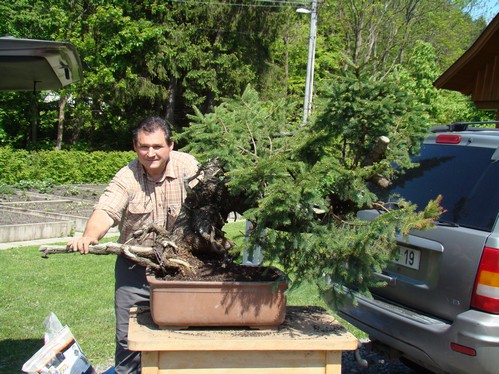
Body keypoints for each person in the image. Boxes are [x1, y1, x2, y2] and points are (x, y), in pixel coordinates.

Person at [68, 116, 201, 373]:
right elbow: (106, 209)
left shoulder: (189, 168)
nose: (150, 153)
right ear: (135, 147)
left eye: (157, 146)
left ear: (171, 145)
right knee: (127, 340)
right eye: (143, 147)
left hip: (182, 270)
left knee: (184, 335)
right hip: (134, 270)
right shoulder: (127, 176)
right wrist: (89, 236)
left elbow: (213, 198)